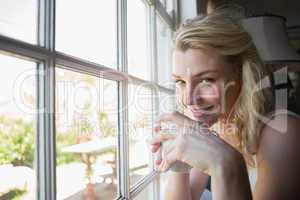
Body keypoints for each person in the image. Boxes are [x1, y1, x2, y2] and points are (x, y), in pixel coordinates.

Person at [148, 7, 300, 200]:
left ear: (241, 72)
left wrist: (226, 163)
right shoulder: (217, 126)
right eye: (180, 81)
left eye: (206, 80)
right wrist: (178, 162)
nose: (187, 99)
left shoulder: (283, 133)